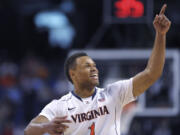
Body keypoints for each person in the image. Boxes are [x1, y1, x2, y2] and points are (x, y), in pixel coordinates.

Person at [24, 4, 171, 135]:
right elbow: (29, 130)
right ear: (73, 74)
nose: (94, 69)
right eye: (87, 66)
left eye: (94, 66)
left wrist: (160, 35)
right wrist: (45, 126)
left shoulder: (114, 93)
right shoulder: (60, 106)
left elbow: (152, 73)